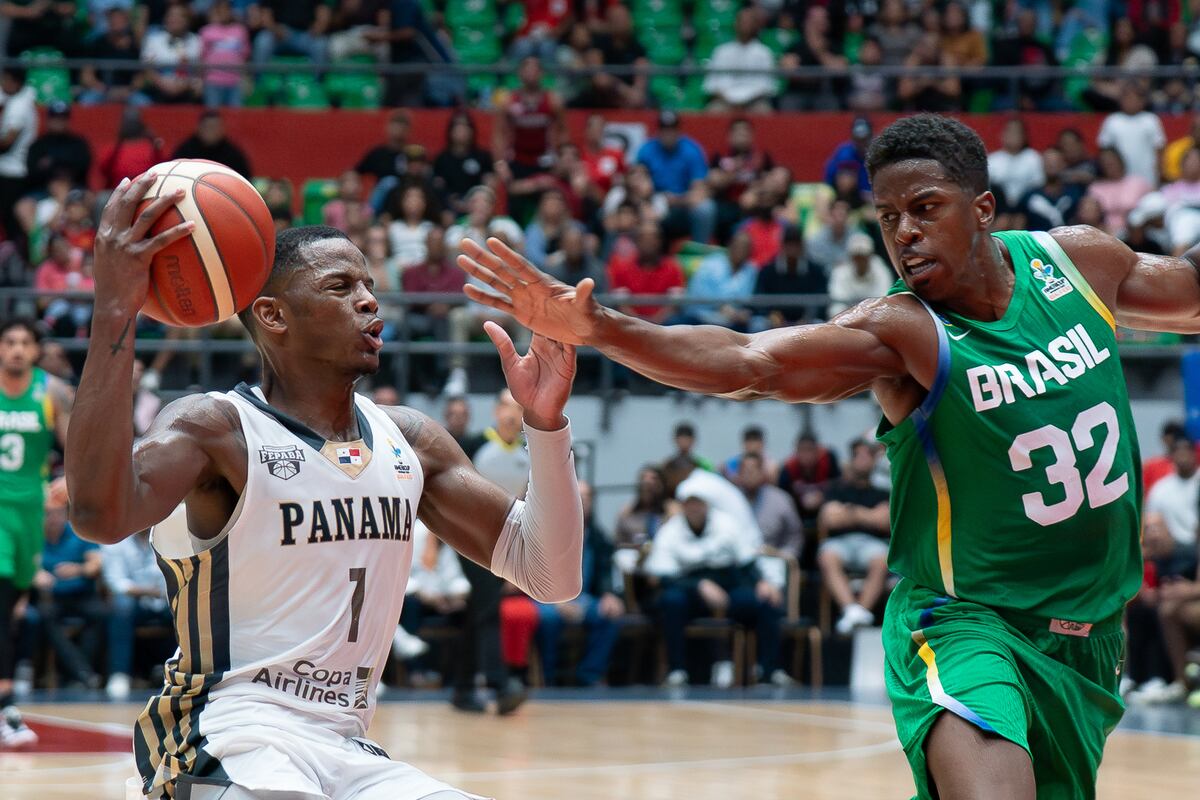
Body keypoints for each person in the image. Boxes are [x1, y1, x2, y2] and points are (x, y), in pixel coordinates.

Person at [458, 112, 1187, 797]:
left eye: (926, 208)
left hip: (1090, 637)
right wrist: (605, 328)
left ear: (985, 209)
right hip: (967, 625)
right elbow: (751, 361)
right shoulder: (905, 333)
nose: (904, 232)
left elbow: (1189, 292)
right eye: (889, 217)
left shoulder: (1079, 262)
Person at [65, 175, 584, 798]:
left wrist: (546, 426)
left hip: (348, 747)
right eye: (340, 287)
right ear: (273, 315)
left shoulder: (409, 440)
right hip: (226, 737)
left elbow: (551, 575)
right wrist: (115, 306)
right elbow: (97, 513)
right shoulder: (216, 430)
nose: (370, 301)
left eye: (368, 284)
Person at [0, 318, 72, 747]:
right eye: (9, 342)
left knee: (13, 610)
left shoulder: (51, 392)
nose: (16, 350)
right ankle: (7, 707)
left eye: (25, 343)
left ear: (36, 350)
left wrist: (71, 480)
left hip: (30, 513)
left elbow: (77, 448)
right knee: (2, 598)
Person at [645, 492, 786, 688]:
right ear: (683, 506)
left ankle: (769, 671)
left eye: (699, 503)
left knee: (765, 601)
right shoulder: (671, 531)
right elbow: (660, 576)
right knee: (671, 601)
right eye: (690, 504)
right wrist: (698, 585)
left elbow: (746, 561)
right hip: (687, 591)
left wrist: (762, 582)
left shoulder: (726, 524)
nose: (695, 509)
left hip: (727, 588)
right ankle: (676, 671)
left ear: (707, 505)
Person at [455, 389, 533, 713]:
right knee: (488, 610)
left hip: (502, 545)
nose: (512, 415)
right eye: (506, 407)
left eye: (519, 409)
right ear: (495, 410)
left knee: (479, 614)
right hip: (466, 540)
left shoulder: (530, 455)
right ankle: (500, 686)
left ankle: (461, 690)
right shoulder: (473, 446)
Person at [535, 480, 623, 687]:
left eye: (587, 496)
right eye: (578, 495)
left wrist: (609, 595)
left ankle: (589, 675)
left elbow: (606, 572)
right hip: (549, 599)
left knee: (609, 615)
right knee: (548, 620)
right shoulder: (548, 533)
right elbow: (538, 572)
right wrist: (557, 602)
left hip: (586, 598)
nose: (583, 500)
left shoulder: (599, 537)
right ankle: (548, 678)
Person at [816, 440, 891, 635]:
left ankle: (860, 611)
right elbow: (829, 519)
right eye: (859, 455)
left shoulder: (882, 492)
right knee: (827, 556)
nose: (863, 460)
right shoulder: (835, 488)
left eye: (868, 455)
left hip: (872, 544)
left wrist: (851, 512)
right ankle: (852, 610)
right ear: (851, 459)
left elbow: (885, 521)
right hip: (840, 543)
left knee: (883, 559)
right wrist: (868, 515)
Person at [32, 495, 104, 689]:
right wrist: (35, 574)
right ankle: (83, 673)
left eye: (57, 514)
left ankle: (80, 674)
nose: (53, 519)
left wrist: (77, 569)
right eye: (48, 514)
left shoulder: (79, 532)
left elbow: (96, 564)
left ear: (66, 515)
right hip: (51, 597)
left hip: (81, 594)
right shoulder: (34, 536)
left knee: (99, 614)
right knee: (44, 616)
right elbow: (26, 564)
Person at [101, 524, 174, 700]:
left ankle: (178, 670)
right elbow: (115, 582)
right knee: (122, 607)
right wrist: (144, 591)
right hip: (134, 601)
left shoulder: (167, 538)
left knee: (183, 606)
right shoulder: (116, 540)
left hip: (162, 599)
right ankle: (119, 674)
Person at [703, 7, 778, 113]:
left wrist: (744, 102)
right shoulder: (721, 51)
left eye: (748, 22)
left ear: (755, 25)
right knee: (713, 111)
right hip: (724, 102)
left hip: (754, 102)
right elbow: (712, 84)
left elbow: (766, 86)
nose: (745, 25)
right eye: (742, 21)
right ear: (735, 23)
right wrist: (729, 101)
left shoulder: (764, 52)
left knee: (764, 111)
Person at [737, 452, 802, 561]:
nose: (749, 475)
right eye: (745, 471)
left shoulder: (781, 499)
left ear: (762, 473)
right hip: (738, 562)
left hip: (774, 559)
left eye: (753, 470)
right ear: (739, 474)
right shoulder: (730, 499)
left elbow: (795, 535)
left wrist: (786, 555)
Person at [0, 65, 37, 256]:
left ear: (15, 82)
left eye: (5, 80)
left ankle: (21, 261)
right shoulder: (15, 98)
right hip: (7, 171)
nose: (2, 84)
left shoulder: (20, 107)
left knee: (11, 224)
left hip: (13, 173)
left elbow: (6, 142)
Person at [25, 101, 92, 192]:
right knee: (24, 205)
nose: (59, 122)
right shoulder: (38, 144)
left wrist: (52, 163)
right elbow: (32, 171)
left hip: (74, 188)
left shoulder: (78, 143)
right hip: (42, 189)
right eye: (55, 118)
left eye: (62, 118)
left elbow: (83, 167)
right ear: (49, 120)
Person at [170, 110, 253, 180]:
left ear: (222, 129)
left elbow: (244, 178)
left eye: (215, 127)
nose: (211, 131)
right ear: (198, 128)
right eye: (208, 127)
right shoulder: (185, 151)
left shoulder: (233, 154)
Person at [827, 233, 894, 316]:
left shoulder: (881, 270)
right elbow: (837, 306)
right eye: (856, 257)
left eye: (863, 257)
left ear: (870, 256)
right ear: (850, 257)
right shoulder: (840, 272)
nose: (860, 262)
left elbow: (884, 302)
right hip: (847, 322)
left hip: (874, 321)